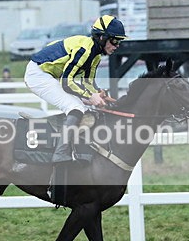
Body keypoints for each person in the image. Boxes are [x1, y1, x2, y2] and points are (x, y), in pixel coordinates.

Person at [25, 13, 126, 169]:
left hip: (50, 75)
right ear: (101, 37)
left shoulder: (96, 55)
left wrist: (99, 94)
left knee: (85, 108)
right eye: (114, 41)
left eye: (119, 42)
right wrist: (91, 97)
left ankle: (76, 148)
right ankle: (60, 153)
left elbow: (88, 83)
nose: (116, 46)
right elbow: (66, 83)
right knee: (76, 107)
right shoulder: (85, 49)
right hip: (38, 74)